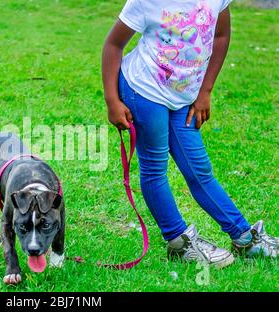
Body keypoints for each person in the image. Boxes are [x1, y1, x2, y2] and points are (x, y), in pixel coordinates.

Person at [101, 0, 277, 267]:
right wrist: (112, 101)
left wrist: (205, 91)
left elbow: (220, 35)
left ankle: (244, 238)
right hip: (144, 91)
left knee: (199, 170)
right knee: (155, 169)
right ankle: (179, 243)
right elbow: (113, 45)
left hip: (184, 97)